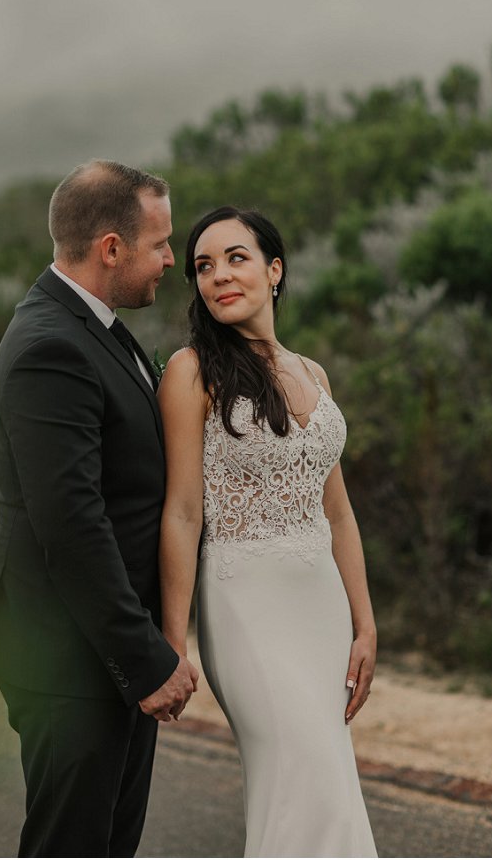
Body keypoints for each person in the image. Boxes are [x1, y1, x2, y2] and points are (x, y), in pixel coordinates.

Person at [0, 160, 198, 859]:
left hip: (105, 651)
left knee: (107, 847)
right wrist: (144, 658)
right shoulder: (50, 346)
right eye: (159, 243)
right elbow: (70, 524)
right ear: (110, 247)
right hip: (67, 657)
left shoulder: (95, 327)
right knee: (71, 847)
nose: (170, 259)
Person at [158, 206, 378, 858]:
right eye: (202, 265)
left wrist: (364, 624)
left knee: (330, 782)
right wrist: (175, 639)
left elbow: (336, 513)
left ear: (273, 270)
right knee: (297, 775)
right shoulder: (191, 371)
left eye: (235, 258)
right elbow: (181, 513)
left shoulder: (313, 373)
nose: (218, 276)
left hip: (322, 611)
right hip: (243, 605)